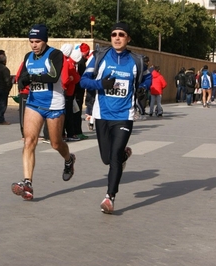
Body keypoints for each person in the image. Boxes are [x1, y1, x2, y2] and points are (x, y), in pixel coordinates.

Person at [79, 22, 150, 214]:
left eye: (121, 34)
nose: (117, 38)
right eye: (114, 34)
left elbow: (147, 77)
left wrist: (143, 88)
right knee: (106, 159)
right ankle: (123, 155)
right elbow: (83, 81)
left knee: (115, 156)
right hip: (102, 114)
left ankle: (110, 197)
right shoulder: (99, 57)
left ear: (128, 38)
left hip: (124, 115)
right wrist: (101, 84)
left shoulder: (136, 60)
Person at [11, 24, 76, 201]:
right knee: (29, 141)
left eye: (37, 41)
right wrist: (22, 81)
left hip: (54, 105)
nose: (34, 45)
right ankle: (28, 183)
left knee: (56, 143)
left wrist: (32, 77)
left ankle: (69, 159)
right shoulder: (28, 57)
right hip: (34, 103)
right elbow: (23, 77)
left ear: (45, 40)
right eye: (31, 41)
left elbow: (53, 76)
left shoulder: (55, 54)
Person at [60, 44, 81, 141]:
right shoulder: (67, 63)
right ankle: (68, 134)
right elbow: (66, 79)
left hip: (67, 92)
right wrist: (71, 79)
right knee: (67, 115)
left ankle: (64, 134)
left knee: (66, 114)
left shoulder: (66, 62)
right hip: (66, 92)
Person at [73, 43, 91, 139]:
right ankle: (77, 131)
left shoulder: (80, 62)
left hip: (77, 90)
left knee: (76, 112)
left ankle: (76, 131)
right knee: (77, 112)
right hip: (78, 91)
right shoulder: (80, 63)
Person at [0, 54, 13, 125]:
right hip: (3, 89)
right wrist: (9, 88)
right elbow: (7, 81)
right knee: (2, 105)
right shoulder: (4, 69)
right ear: (5, 61)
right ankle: (1, 119)